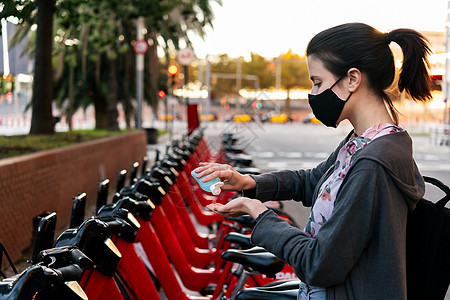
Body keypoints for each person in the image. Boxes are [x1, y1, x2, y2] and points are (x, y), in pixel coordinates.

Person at [193, 23, 433, 300]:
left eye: (318, 82)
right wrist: (248, 183)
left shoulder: (373, 162)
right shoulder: (364, 141)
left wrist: (260, 214)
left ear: (353, 79)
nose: (314, 93)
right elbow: (314, 181)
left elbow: (320, 264)